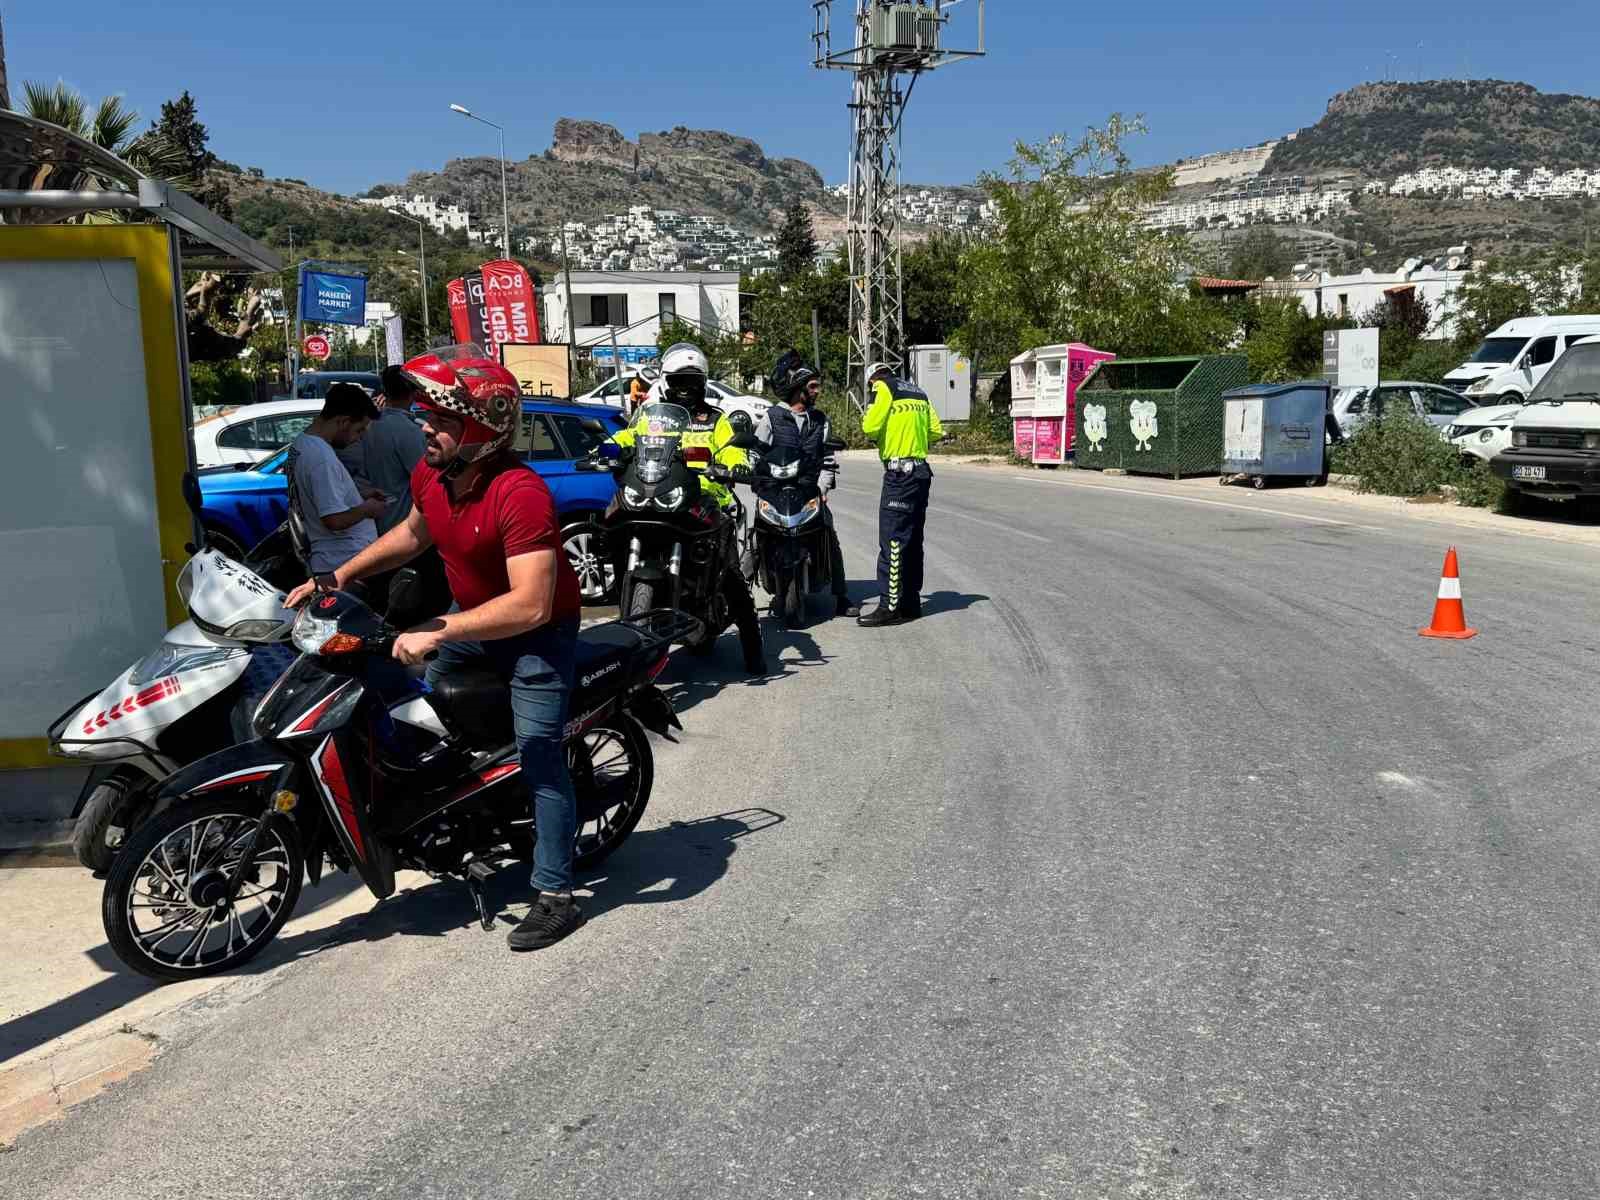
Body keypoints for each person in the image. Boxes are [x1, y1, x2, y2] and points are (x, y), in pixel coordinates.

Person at [286, 351, 586, 952]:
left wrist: (440, 630)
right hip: (470, 626)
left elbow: (530, 604)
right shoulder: (436, 474)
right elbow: (412, 534)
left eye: (441, 418)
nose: (425, 425)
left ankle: (556, 893)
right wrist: (337, 578)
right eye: (426, 413)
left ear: (480, 428)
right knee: (413, 711)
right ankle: (456, 817)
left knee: (539, 758)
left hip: (537, 642)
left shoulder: (520, 493)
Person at [753, 349, 856, 617]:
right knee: (758, 536)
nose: (817, 391)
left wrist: (822, 489)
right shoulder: (772, 417)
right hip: (776, 493)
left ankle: (841, 596)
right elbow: (755, 454)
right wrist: (760, 483)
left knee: (829, 535)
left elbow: (828, 457)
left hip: (809, 491)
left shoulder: (820, 420)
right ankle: (738, 593)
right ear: (799, 389)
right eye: (813, 386)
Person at [858, 361, 942, 627]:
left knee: (893, 540)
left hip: (899, 474)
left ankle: (889, 606)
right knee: (913, 539)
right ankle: (910, 602)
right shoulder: (918, 392)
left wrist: (885, 432)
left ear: (872, 380)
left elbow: (870, 427)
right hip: (920, 473)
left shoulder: (884, 388)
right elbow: (935, 431)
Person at [286, 383, 385, 576]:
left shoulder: (302, 443)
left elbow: (314, 494)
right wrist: (368, 509)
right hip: (341, 564)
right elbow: (334, 520)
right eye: (359, 430)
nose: (360, 438)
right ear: (343, 422)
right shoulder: (321, 457)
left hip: (333, 561)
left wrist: (358, 495)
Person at [335, 366, 427, 535]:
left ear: (385, 390)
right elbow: (426, 481)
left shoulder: (368, 426)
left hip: (373, 525)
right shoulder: (409, 431)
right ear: (413, 392)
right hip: (401, 528)